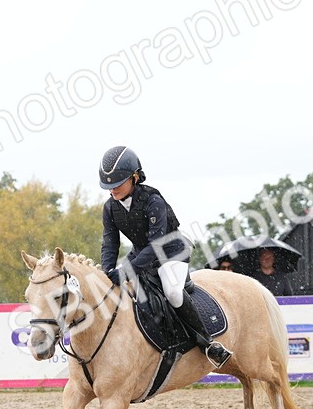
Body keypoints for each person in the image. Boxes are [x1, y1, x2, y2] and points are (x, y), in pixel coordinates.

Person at [98, 145, 231, 367]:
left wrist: (127, 271)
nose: (112, 190)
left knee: (172, 293)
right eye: (108, 186)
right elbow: (110, 242)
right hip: (141, 253)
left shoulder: (153, 201)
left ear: (134, 177)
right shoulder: (110, 207)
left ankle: (208, 344)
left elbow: (156, 245)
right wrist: (107, 272)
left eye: (117, 184)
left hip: (171, 253)